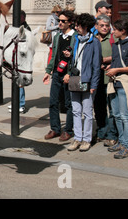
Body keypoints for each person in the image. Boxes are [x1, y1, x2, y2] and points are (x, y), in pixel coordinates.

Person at [64, 13, 101, 152]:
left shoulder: (94, 42)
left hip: (88, 81)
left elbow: (96, 66)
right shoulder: (76, 40)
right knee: (76, 111)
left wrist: (94, 85)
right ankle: (77, 138)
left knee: (87, 112)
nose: (76, 27)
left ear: (85, 26)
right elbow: (76, 59)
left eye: (78, 25)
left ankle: (86, 139)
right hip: (75, 79)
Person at [105, 19, 128, 159]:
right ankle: (121, 141)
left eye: (115, 30)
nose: (112, 32)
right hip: (113, 83)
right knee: (117, 115)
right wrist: (110, 67)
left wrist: (117, 69)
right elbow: (116, 60)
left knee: (125, 116)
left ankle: (126, 146)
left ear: (123, 31)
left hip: (124, 83)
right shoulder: (116, 44)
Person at [42, 10, 76, 141]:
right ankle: (55, 128)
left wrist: (69, 73)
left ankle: (68, 130)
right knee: (53, 102)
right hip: (56, 73)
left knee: (69, 103)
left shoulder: (75, 37)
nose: (60, 23)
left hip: (69, 75)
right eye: (59, 21)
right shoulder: (57, 37)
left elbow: (76, 57)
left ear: (70, 23)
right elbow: (54, 56)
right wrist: (48, 71)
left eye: (63, 21)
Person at [93, 15, 118, 146]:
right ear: (96, 26)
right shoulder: (93, 39)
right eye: (102, 25)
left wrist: (104, 60)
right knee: (99, 108)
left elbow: (118, 54)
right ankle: (101, 132)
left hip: (110, 79)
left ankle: (112, 134)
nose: (104, 28)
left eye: (107, 26)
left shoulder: (114, 38)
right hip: (97, 80)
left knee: (113, 109)